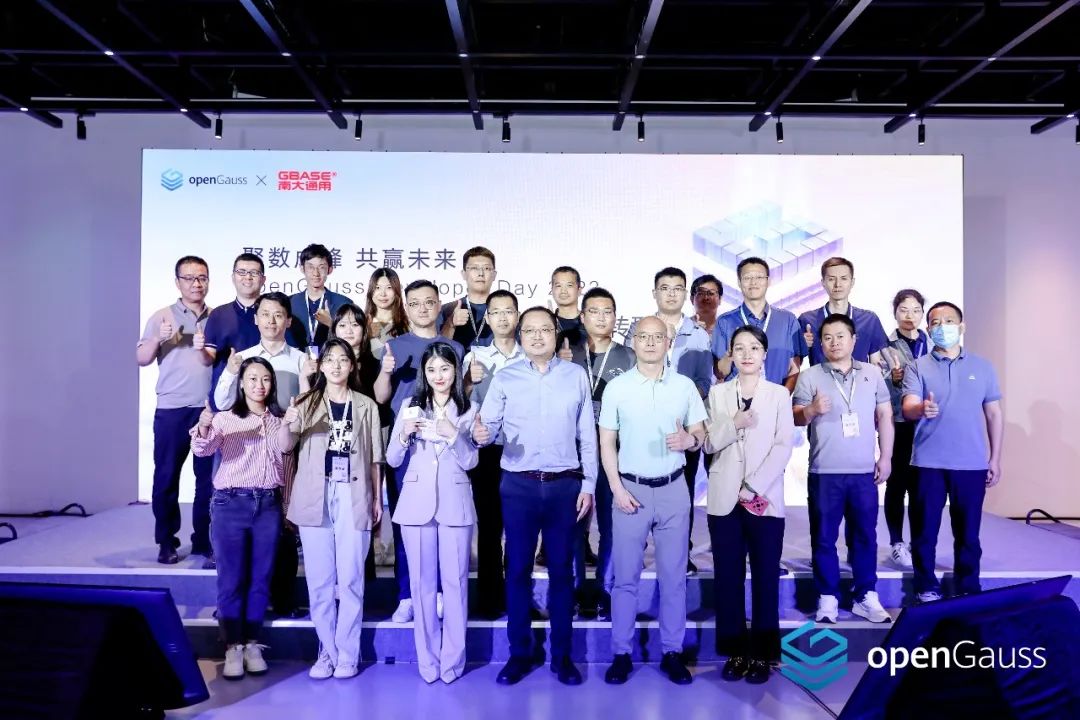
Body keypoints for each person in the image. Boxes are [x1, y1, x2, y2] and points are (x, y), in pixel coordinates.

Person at [472, 306, 596, 687]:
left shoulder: (575, 376)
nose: (538, 336)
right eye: (530, 331)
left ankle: (562, 656)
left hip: (564, 486)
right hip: (519, 485)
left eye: (545, 329)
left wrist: (589, 484)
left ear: (557, 334)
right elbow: (486, 429)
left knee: (562, 572)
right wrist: (480, 435)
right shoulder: (505, 378)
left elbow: (587, 435)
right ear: (520, 336)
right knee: (517, 571)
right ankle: (519, 654)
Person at [599, 316, 706, 686]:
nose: (649, 342)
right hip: (631, 489)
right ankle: (621, 653)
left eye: (656, 337)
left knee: (674, 577)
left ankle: (672, 652)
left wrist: (690, 441)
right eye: (642, 336)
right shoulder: (617, 387)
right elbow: (606, 442)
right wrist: (616, 488)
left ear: (668, 342)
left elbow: (699, 433)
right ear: (633, 341)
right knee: (625, 578)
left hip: (674, 490)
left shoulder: (684, 386)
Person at [278, 339, 383, 680]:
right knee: (320, 580)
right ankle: (327, 651)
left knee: (351, 578)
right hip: (316, 492)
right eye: (330, 360)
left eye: (343, 359)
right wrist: (287, 422)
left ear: (353, 366)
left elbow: (375, 458)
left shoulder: (366, 405)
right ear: (320, 366)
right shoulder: (306, 402)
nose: (336, 365)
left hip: (353, 491)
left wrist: (376, 498)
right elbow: (286, 446)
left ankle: (348, 654)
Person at [705, 326, 794, 684]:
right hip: (723, 500)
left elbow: (783, 445)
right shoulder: (717, 393)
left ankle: (763, 654)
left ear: (764, 354)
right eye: (739, 348)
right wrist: (733, 423)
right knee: (727, 578)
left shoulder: (778, 395)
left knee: (765, 577)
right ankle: (735, 651)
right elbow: (708, 443)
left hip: (764, 499)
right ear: (730, 354)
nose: (746, 354)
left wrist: (753, 486)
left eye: (754, 348)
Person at [387, 342, 478, 684]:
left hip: (455, 503)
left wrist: (454, 435)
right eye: (432, 370)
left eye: (445, 369)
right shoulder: (410, 407)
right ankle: (427, 661)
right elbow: (392, 458)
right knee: (422, 586)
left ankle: (452, 662)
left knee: (455, 584)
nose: (439, 376)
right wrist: (403, 436)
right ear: (424, 374)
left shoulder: (469, 409)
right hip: (415, 504)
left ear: (456, 371)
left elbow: (472, 460)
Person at [374, 279, 465, 623]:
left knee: (442, 523)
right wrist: (386, 372)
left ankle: (438, 591)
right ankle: (407, 594)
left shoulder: (454, 348)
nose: (423, 309)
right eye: (415, 303)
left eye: (429, 302)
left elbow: (461, 397)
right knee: (406, 525)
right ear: (406, 307)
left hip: (445, 448)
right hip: (406, 447)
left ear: (439, 305)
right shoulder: (394, 346)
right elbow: (381, 397)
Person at [793, 314, 894, 624]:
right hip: (824, 472)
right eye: (827, 338)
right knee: (823, 537)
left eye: (840, 336)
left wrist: (886, 457)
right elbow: (796, 417)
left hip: (863, 472)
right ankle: (827, 597)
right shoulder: (810, 376)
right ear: (820, 343)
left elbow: (885, 417)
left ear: (854, 340)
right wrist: (811, 410)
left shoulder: (873, 374)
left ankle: (866, 595)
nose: (834, 342)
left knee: (865, 536)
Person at [190, 357, 285, 680]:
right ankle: (232, 646)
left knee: (260, 578)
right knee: (231, 579)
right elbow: (203, 450)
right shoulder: (226, 418)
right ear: (241, 384)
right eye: (252, 378)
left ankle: (253, 644)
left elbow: (287, 460)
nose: (259, 385)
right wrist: (204, 426)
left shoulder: (280, 420)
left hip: (268, 504)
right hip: (230, 504)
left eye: (266, 379)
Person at [902, 302, 1003, 603]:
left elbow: (994, 414)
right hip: (927, 463)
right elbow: (908, 407)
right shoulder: (917, 366)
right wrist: (921, 408)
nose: (941, 326)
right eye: (935, 322)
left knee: (968, 533)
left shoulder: (983, 367)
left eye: (948, 321)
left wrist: (995, 458)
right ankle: (925, 586)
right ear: (928, 329)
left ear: (961, 327)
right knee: (924, 532)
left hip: (971, 464)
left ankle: (968, 586)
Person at [624, 267, 713, 575]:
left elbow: (704, 381)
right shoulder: (638, 329)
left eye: (677, 288)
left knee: (682, 494)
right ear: (654, 293)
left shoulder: (698, 333)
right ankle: (635, 550)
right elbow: (629, 374)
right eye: (665, 288)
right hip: (641, 425)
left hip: (683, 427)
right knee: (636, 488)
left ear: (685, 294)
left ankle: (679, 553)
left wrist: (679, 399)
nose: (671, 293)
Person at [136, 255, 214, 564]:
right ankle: (166, 541)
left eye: (202, 277)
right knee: (166, 478)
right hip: (172, 409)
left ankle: (203, 540)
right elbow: (142, 358)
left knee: (207, 481)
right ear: (177, 282)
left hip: (207, 410)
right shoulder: (162, 316)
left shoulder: (216, 317)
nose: (197, 284)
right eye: (190, 278)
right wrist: (159, 338)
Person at [570, 287, 636, 619]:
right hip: (572, 453)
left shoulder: (630, 356)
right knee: (573, 523)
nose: (600, 317)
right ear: (582, 317)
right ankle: (574, 589)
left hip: (615, 453)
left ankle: (605, 589)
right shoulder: (566, 353)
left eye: (607, 311)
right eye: (593, 311)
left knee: (612, 525)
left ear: (615, 316)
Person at [462, 289, 524, 619]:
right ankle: (488, 599)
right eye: (495, 311)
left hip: (523, 453)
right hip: (487, 452)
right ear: (487, 318)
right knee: (488, 527)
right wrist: (468, 382)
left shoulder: (530, 355)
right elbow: (462, 404)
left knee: (519, 530)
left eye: (508, 311)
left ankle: (517, 598)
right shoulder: (475, 356)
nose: (502, 317)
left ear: (517, 316)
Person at [883, 289, 929, 569]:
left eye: (915, 310)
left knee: (923, 487)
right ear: (895, 313)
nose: (910, 316)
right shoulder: (884, 346)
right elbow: (873, 383)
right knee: (897, 484)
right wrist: (891, 377)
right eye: (903, 310)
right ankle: (897, 542)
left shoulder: (932, 343)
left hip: (928, 425)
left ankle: (918, 542)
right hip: (897, 422)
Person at [712, 257, 805, 391]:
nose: (753, 282)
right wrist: (730, 353)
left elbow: (795, 367)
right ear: (739, 282)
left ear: (768, 281)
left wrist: (782, 397)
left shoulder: (788, 320)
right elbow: (720, 373)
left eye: (759, 277)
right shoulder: (725, 322)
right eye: (747, 277)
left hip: (776, 397)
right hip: (736, 399)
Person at [213, 292, 307, 412]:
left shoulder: (302, 360)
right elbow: (222, 404)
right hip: (250, 423)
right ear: (256, 319)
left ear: (288, 321)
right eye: (265, 314)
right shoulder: (242, 358)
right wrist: (230, 372)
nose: (271, 321)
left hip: (289, 422)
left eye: (278, 315)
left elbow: (308, 408)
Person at [203, 253, 266, 411]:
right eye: (242, 272)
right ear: (233, 277)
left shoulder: (272, 314)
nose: (248, 277)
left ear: (263, 279)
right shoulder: (218, 315)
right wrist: (199, 349)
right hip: (226, 401)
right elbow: (208, 359)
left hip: (264, 402)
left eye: (254, 273)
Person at [798, 257, 888, 368]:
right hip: (820, 379)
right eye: (831, 279)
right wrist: (802, 347)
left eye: (844, 278)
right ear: (823, 283)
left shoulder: (869, 320)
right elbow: (794, 364)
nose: (837, 284)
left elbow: (876, 363)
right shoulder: (807, 320)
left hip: (860, 379)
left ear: (852, 282)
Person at [288, 244, 354, 353]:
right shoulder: (289, 303)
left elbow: (352, 340)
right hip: (297, 361)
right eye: (310, 267)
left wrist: (331, 324)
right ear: (302, 269)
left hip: (332, 360)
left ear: (330, 269)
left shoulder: (344, 303)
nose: (316, 273)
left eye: (321, 267)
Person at [440, 246, 497, 348]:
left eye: (487, 268)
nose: (481, 274)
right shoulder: (446, 310)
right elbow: (435, 349)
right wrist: (450, 324)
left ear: (494, 275)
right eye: (474, 268)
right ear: (464, 274)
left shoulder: (505, 311)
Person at [365, 268, 409, 361]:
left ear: (396, 290)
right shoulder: (362, 323)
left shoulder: (407, 324)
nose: (383, 294)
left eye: (389, 287)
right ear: (371, 290)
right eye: (377, 288)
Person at [551, 266, 586, 356]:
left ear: (579, 290)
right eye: (558, 286)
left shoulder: (590, 321)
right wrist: (556, 359)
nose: (563, 291)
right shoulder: (547, 323)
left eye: (569, 285)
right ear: (552, 290)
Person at [690, 274, 723, 341]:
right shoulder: (681, 327)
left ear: (720, 299)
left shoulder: (726, 331)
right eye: (701, 293)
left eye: (711, 293)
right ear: (692, 299)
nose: (706, 297)